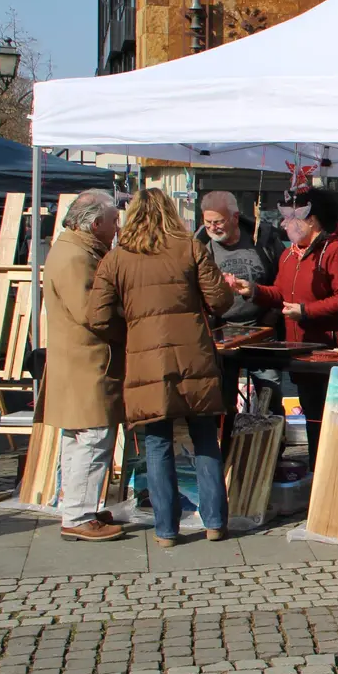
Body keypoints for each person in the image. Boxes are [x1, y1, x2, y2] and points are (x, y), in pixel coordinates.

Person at [86, 189, 236, 547]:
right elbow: (221, 299)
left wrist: (132, 331)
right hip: (193, 357)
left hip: (145, 360)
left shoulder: (116, 258)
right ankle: (215, 523)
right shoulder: (189, 247)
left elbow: (97, 316)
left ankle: (166, 530)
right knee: (204, 440)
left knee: (156, 446)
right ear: (171, 213)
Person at [229, 186, 338, 470]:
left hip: (334, 350)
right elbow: (281, 294)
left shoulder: (336, 250)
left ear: (311, 221)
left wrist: (305, 311)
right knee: (313, 413)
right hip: (303, 350)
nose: (283, 224)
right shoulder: (289, 255)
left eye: (290, 219)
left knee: (336, 415)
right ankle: (320, 469)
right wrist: (253, 290)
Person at [41, 189, 125, 542]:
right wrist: (131, 324)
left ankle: (78, 508)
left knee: (80, 438)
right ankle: (79, 514)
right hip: (87, 361)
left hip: (79, 359)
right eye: (113, 220)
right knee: (91, 436)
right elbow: (94, 313)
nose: (117, 225)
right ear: (95, 224)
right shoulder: (77, 257)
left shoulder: (73, 249)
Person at [195, 191, 285, 414]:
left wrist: (272, 315)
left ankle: (272, 445)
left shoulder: (263, 238)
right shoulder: (199, 245)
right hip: (220, 333)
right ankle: (227, 446)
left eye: (218, 221)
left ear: (235, 218)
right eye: (208, 223)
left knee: (269, 395)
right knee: (222, 401)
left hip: (262, 330)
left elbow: (283, 279)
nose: (213, 228)